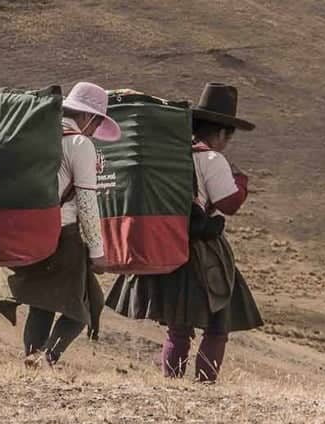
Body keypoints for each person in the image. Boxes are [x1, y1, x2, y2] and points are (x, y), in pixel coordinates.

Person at [107, 83, 262, 381]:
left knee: (178, 326)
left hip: (167, 242)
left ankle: (172, 381)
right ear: (221, 133)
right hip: (204, 251)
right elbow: (229, 204)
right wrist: (241, 181)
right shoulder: (213, 159)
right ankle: (205, 384)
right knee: (218, 324)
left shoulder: (171, 152)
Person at [0, 81, 118, 367]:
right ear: (88, 117)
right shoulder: (79, 143)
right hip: (63, 236)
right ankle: (46, 359)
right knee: (83, 307)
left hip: (26, 230)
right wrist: (97, 251)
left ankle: (32, 361)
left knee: (43, 305)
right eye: (97, 124)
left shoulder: (38, 133)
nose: (95, 131)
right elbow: (86, 202)